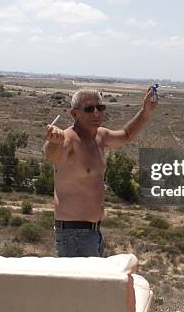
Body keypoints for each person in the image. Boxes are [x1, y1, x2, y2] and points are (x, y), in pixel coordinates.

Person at [43, 88, 157, 257]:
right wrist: (53, 142)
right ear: (74, 114)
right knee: (82, 283)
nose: (96, 113)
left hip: (94, 232)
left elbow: (126, 135)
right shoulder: (68, 138)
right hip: (74, 234)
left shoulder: (100, 136)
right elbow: (52, 156)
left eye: (100, 108)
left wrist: (145, 112)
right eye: (89, 109)